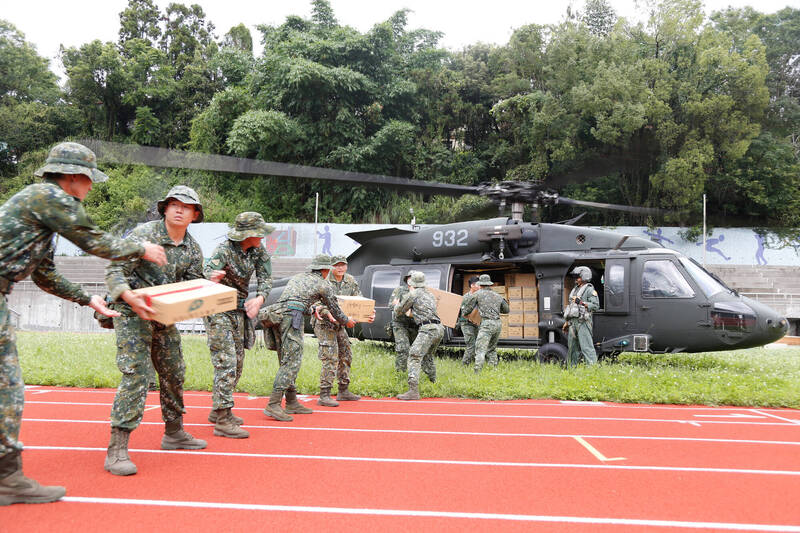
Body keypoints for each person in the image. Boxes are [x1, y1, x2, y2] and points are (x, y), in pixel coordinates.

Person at [0, 141, 167, 504]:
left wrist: (86, 297)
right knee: (7, 389)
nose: (91, 188)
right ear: (74, 177)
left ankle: (7, 475)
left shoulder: (41, 214)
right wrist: (142, 248)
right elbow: (92, 239)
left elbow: (44, 275)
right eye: (89, 180)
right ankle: (8, 477)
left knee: (7, 388)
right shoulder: (47, 196)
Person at [103, 185, 209, 476]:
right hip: (131, 310)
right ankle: (117, 449)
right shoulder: (143, 236)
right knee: (136, 374)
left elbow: (192, 285)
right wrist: (127, 296)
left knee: (175, 371)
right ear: (164, 208)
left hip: (164, 315)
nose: (178, 209)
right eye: (173, 204)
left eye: (186, 207)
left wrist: (209, 288)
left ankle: (174, 432)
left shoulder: (192, 248)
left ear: (195, 214)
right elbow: (115, 270)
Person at [257, 254, 356, 421]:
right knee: (292, 361)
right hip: (291, 319)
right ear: (325, 270)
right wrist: (347, 321)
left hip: (277, 316)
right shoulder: (323, 284)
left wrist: (311, 310)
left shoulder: (298, 277)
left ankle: (291, 401)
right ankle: (273, 404)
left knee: (285, 359)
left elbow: (294, 300)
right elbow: (336, 310)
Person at [203, 212, 274, 438]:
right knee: (227, 361)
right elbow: (204, 271)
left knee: (238, 363)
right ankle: (223, 419)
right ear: (248, 234)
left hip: (239, 310)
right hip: (217, 308)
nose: (262, 237)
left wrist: (260, 298)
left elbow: (266, 278)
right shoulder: (224, 250)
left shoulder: (258, 251)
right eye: (259, 233)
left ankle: (218, 409)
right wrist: (210, 276)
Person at [312, 255, 374, 407]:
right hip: (324, 323)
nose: (340, 268)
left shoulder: (350, 280)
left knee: (346, 352)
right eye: (337, 265)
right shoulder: (324, 280)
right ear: (332, 266)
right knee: (330, 356)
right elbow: (316, 303)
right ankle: (324, 394)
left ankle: (343, 390)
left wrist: (367, 314)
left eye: (343, 265)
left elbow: (358, 301)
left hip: (339, 323)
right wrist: (329, 314)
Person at [394, 271, 444, 400]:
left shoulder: (412, 294)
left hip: (427, 329)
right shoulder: (430, 294)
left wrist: (396, 305)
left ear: (411, 283)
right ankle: (433, 382)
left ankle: (413, 391)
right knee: (428, 356)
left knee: (414, 356)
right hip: (439, 328)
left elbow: (399, 311)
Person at [460, 274, 509, 372]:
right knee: (491, 349)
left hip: (486, 324)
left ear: (480, 284)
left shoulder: (477, 294)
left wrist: (466, 314)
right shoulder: (498, 295)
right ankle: (493, 369)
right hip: (498, 324)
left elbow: (467, 310)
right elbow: (506, 310)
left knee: (480, 349)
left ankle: (477, 371)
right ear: (489, 284)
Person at [562, 266, 599, 365]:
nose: (576, 279)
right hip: (572, 323)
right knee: (572, 348)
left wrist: (582, 303)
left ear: (584, 276)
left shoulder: (590, 290)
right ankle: (571, 369)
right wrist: (567, 322)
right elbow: (571, 307)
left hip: (583, 322)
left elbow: (595, 306)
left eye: (578, 277)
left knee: (587, 347)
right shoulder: (575, 290)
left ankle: (592, 370)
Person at [388, 273, 417, 373]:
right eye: (409, 279)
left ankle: (413, 373)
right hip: (400, 324)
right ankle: (400, 373)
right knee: (403, 349)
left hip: (415, 325)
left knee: (416, 351)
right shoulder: (399, 290)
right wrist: (406, 310)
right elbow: (391, 306)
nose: (411, 281)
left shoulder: (422, 292)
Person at [457, 276, 481, 366]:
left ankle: (476, 363)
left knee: (477, 344)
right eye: (478, 285)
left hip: (476, 323)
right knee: (471, 345)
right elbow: (464, 313)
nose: (479, 286)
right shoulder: (466, 297)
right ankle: (464, 365)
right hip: (466, 323)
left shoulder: (479, 296)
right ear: (472, 285)